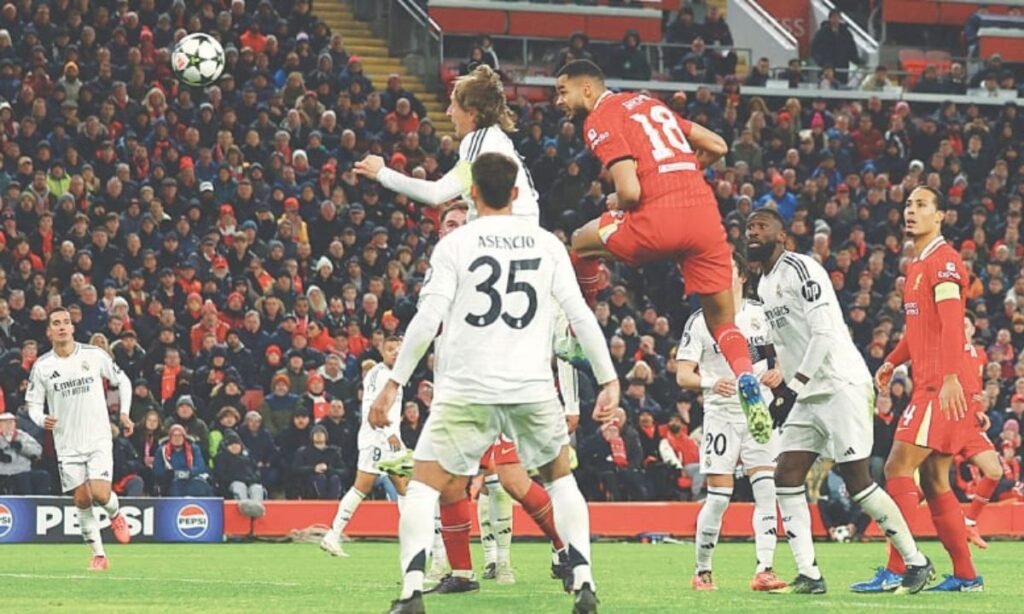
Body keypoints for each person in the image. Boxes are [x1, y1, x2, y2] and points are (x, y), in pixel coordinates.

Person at [379, 154, 618, 614]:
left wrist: (394, 381)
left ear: (472, 193)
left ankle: (411, 592)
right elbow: (580, 316)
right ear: (515, 193)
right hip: (530, 386)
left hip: (467, 387)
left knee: (424, 485)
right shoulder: (547, 244)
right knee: (560, 480)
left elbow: (427, 319)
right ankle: (584, 579)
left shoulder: (454, 245)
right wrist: (607, 378)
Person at [553, 59, 771, 445]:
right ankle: (746, 377)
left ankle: (578, 333)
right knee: (723, 324)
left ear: (587, 89)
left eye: (562, 91)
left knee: (580, 241)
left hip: (655, 222)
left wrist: (615, 200)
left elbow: (630, 192)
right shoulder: (649, 104)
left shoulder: (600, 118)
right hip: (703, 217)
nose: (558, 101)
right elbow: (717, 146)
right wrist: (676, 175)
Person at [745, 208, 933, 594]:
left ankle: (916, 562)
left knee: (856, 479)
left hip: (839, 383)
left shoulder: (802, 269)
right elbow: (783, 343)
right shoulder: (762, 285)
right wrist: (780, 386)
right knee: (786, 475)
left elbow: (824, 334)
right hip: (806, 392)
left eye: (762, 226)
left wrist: (792, 388)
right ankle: (810, 575)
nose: (753, 232)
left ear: (782, 236)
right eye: (749, 227)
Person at [853, 187, 982, 593]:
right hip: (933, 384)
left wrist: (949, 379)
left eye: (922, 205)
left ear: (940, 215)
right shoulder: (918, 264)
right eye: (908, 204)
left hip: (941, 386)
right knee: (934, 480)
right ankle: (966, 576)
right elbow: (919, 329)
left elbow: (952, 324)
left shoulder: (944, 262)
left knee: (896, 468)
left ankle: (900, 568)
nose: (911, 211)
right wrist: (892, 361)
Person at [674, 252, 787, 591]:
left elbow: (780, 357)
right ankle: (702, 570)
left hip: (759, 413)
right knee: (719, 497)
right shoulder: (700, 321)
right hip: (721, 414)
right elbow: (683, 375)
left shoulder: (760, 315)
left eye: (728, 270)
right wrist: (711, 382)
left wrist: (778, 373)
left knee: (766, 490)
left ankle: (764, 570)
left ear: (741, 276)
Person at [355, 65, 538, 223]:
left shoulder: (479, 141)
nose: (449, 112)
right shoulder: (493, 138)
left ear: (471, 113)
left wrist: (381, 173)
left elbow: (436, 194)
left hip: (510, 236)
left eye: (453, 105)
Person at [26, 307, 134, 571]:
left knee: (99, 493)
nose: (62, 326)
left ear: (73, 328)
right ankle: (99, 555)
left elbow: (124, 381)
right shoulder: (43, 367)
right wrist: (41, 419)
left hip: (97, 437)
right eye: (56, 323)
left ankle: (115, 514)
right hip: (67, 443)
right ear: (49, 331)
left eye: (66, 322)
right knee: (82, 500)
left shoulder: (93, 355)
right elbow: (33, 404)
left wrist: (124, 413)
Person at [320, 336, 408, 557]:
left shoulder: (394, 374)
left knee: (404, 487)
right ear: (381, 352)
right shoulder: (379, 375)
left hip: (388, 438)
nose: (395, 353)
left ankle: (414, 539)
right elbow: (372, 411)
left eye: (398, 349)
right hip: (377, 439)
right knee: (364, 487)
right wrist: (389, 434)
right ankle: (333, 535)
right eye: (390, 349)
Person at [961, 312, 1002, 548]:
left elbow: (974, 389)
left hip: (970, 425)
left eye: (966, 325)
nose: (962, 329)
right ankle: (896, 523)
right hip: (947, 422)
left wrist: (978, 411)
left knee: (994, 471)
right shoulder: (946, 351)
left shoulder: (979, 355)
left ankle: (969, 522)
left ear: (973, 329)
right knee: (930, 481)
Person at [0, 411, 49, 494]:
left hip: (22, 471)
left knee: (39, 477)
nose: (9, 425)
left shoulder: (22, 436)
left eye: (11, 422)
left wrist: (22, 447)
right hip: (2, 472)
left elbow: (38, 450)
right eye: (5, 423)